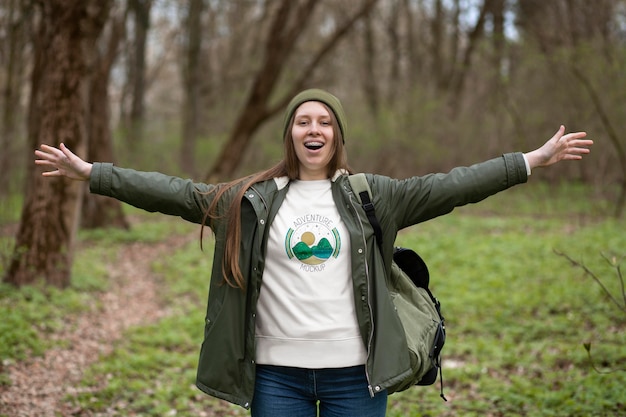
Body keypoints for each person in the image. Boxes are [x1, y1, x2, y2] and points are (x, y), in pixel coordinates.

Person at [35, 88, 593, 417]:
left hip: (357, 375)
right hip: (277, 377)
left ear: (336, 135)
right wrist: (92, 174)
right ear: (291, 135)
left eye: (324, 121)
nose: (313, 128)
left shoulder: (374, 195)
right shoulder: (250, 200)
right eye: (304, 121)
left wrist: (528, 161)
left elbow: (450, 185)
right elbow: (174, 193)